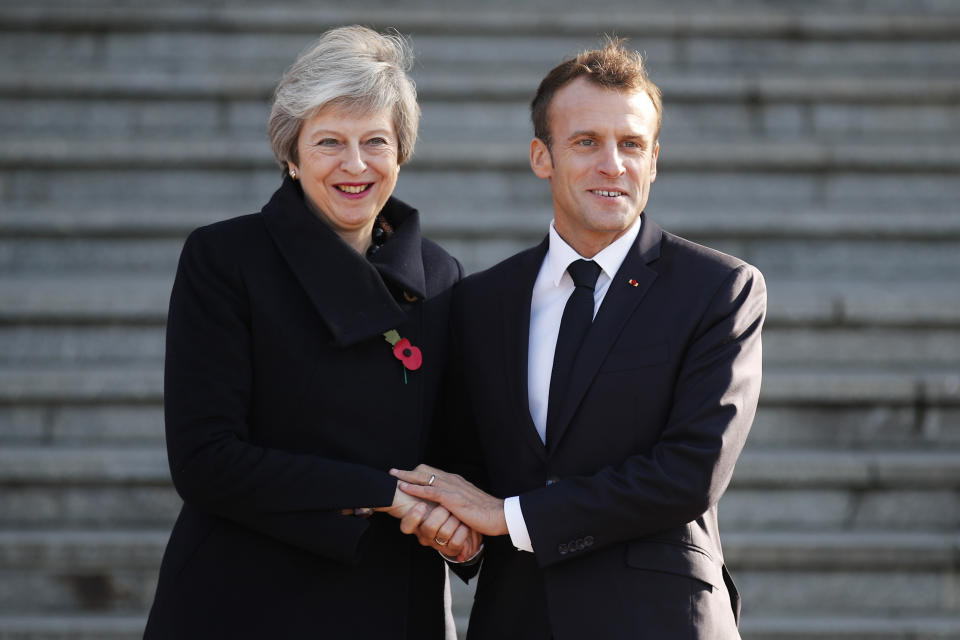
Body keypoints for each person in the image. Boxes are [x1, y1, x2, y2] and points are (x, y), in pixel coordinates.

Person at [392, 39, 766, 639]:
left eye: (632, 145)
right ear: (542, 157)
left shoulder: (719, 289)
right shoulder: (480, 301)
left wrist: (507, 516)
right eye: (586, 142)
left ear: (654, 159)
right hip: (517, 617)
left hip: (661, 619)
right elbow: (468, 464)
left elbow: (689, 473)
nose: (612, 164)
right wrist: (460, 537)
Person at [144, 26, 476, 639]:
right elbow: (204, 459)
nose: (356, 165)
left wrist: (460, 530)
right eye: (329, 142)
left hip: (392, 600)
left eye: (376, 141)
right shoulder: (225, 258)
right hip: (244, 598)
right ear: (291, 157)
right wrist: (379, 492)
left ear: (400, 152)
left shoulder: (440, 276)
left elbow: (454, 454)